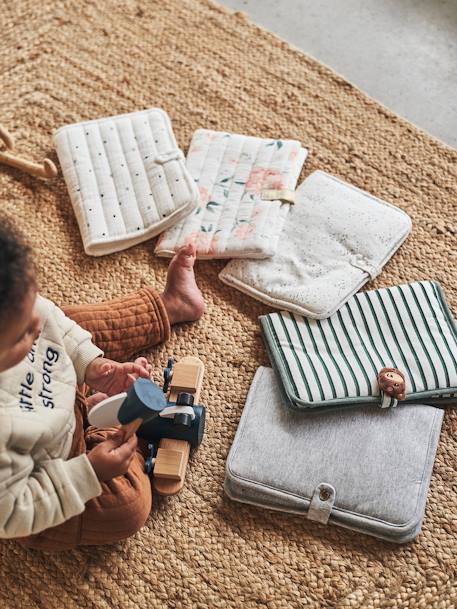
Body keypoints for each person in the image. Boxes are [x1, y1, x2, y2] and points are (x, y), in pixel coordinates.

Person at [0, 217, 205, 551]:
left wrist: (92, 364)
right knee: (124, 507)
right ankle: (111, 437)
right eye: (23, 332)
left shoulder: (23, 313)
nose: (36, 324)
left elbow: (50, 319)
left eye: (31, 302)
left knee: (72, 321)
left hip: (60, 387)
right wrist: (88, 473)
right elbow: (13, 512)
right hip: (53, 471)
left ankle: (172, 305)